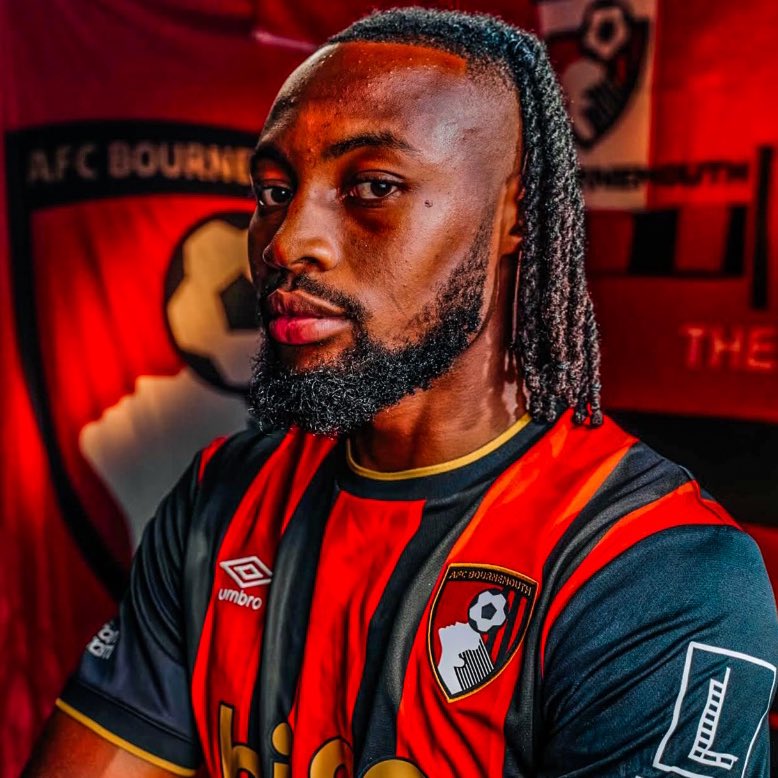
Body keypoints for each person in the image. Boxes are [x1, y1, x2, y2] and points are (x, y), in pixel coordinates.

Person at [24, 7, 777, 778]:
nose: (287, 242)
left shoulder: (653, 569)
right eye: (274, 190)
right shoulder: (223, 499)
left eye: (372, 186)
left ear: (516, 211)